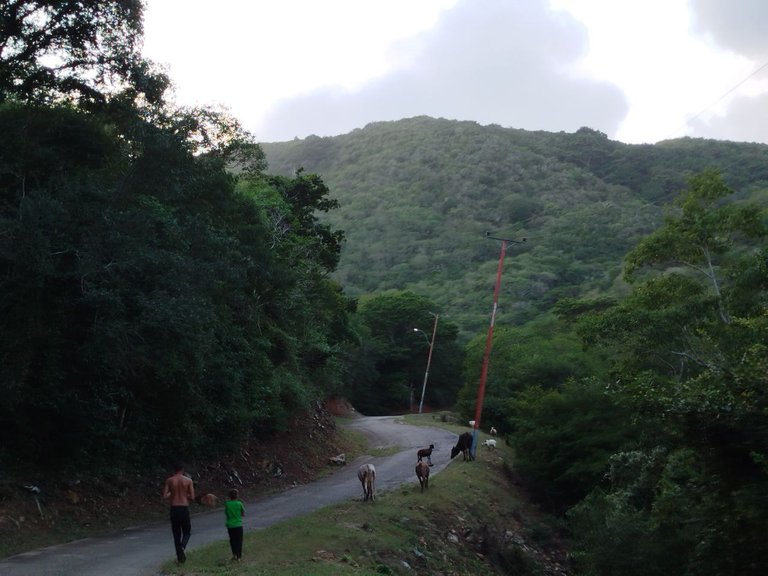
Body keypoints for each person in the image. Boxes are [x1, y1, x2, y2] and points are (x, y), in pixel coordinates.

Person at [163, 462, 195, 564]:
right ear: (182, 470)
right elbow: (192, 497)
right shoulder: (188, 480)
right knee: (187, 531)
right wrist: (186, 494)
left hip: (174, 508)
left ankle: (180, 558)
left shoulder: (169, 480)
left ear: (174, 470)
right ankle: (183, 546)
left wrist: (172, 492)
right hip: (184, 508)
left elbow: (164, 496)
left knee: (176, 534)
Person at [224, 488, 245, 561]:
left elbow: (226, 513)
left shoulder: (227, 504)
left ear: (229, 496)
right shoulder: (239, 503)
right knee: (239, 540)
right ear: (237, 496)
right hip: (238, 524)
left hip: (230, 525)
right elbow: (243, 513)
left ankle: (234, 554)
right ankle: (239, 556)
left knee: (232, 540)